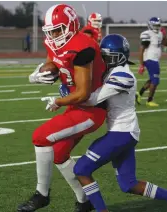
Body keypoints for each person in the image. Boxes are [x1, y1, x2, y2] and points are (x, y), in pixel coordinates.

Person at [68, 34, 167, 212]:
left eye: (108, 57)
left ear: (120, 56)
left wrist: (67, 96)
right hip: (124, 132)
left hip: (121, 133)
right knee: (129, 184)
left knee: (81, 169)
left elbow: (92, 99)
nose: (105, 60)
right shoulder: (113, 72)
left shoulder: (122, 74)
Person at [17, 4, 106, 212]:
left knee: (40, 137)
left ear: (71, 25)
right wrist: (39, 74)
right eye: (51, 31)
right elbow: (54, 63)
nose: (54, 35)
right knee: (58, 154)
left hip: (91, 109)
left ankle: (42, 194)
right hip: (76, 106)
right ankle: (85, 201)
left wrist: (58, 101)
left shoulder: (84, 46)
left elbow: (83, 92)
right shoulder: (54, 41)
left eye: (58, 30)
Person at [136, 17, 167, 107]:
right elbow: (141, 50)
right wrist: (141, 65)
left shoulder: (160, 34)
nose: (157, 27)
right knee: (155, 81)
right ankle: (149, 100)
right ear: (150, 25)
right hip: (150, 59)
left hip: (155, 60)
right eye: (155, 25)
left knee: (153, 79)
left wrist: (164, 35)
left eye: (158, 25)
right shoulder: (147, 34)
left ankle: (139, 93)